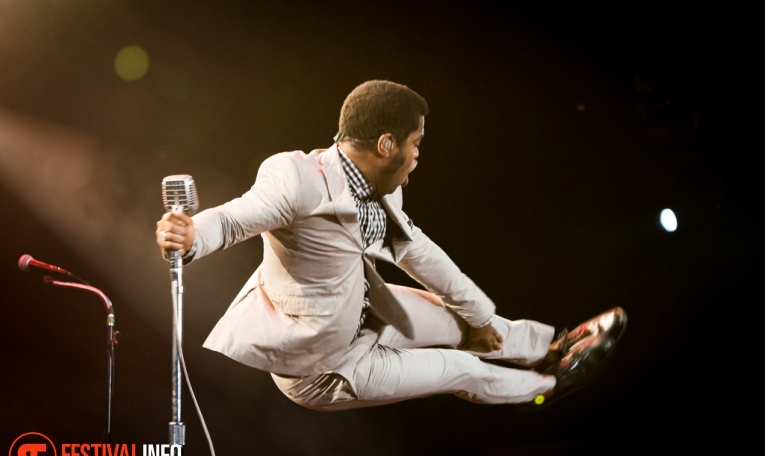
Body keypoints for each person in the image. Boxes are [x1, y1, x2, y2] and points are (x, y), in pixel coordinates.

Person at [155, 80, 626, 411]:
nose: (418, 155)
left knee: (465, 321)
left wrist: (479, 318)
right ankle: (547, 383)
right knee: (460, 368)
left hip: (365, 313)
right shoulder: (295, 180)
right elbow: (238, 216)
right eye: (416, 143)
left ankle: (556, 346)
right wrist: (195, 234)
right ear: (385, 144)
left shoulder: (382, 187)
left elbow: (415, 251)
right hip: (324, 367)